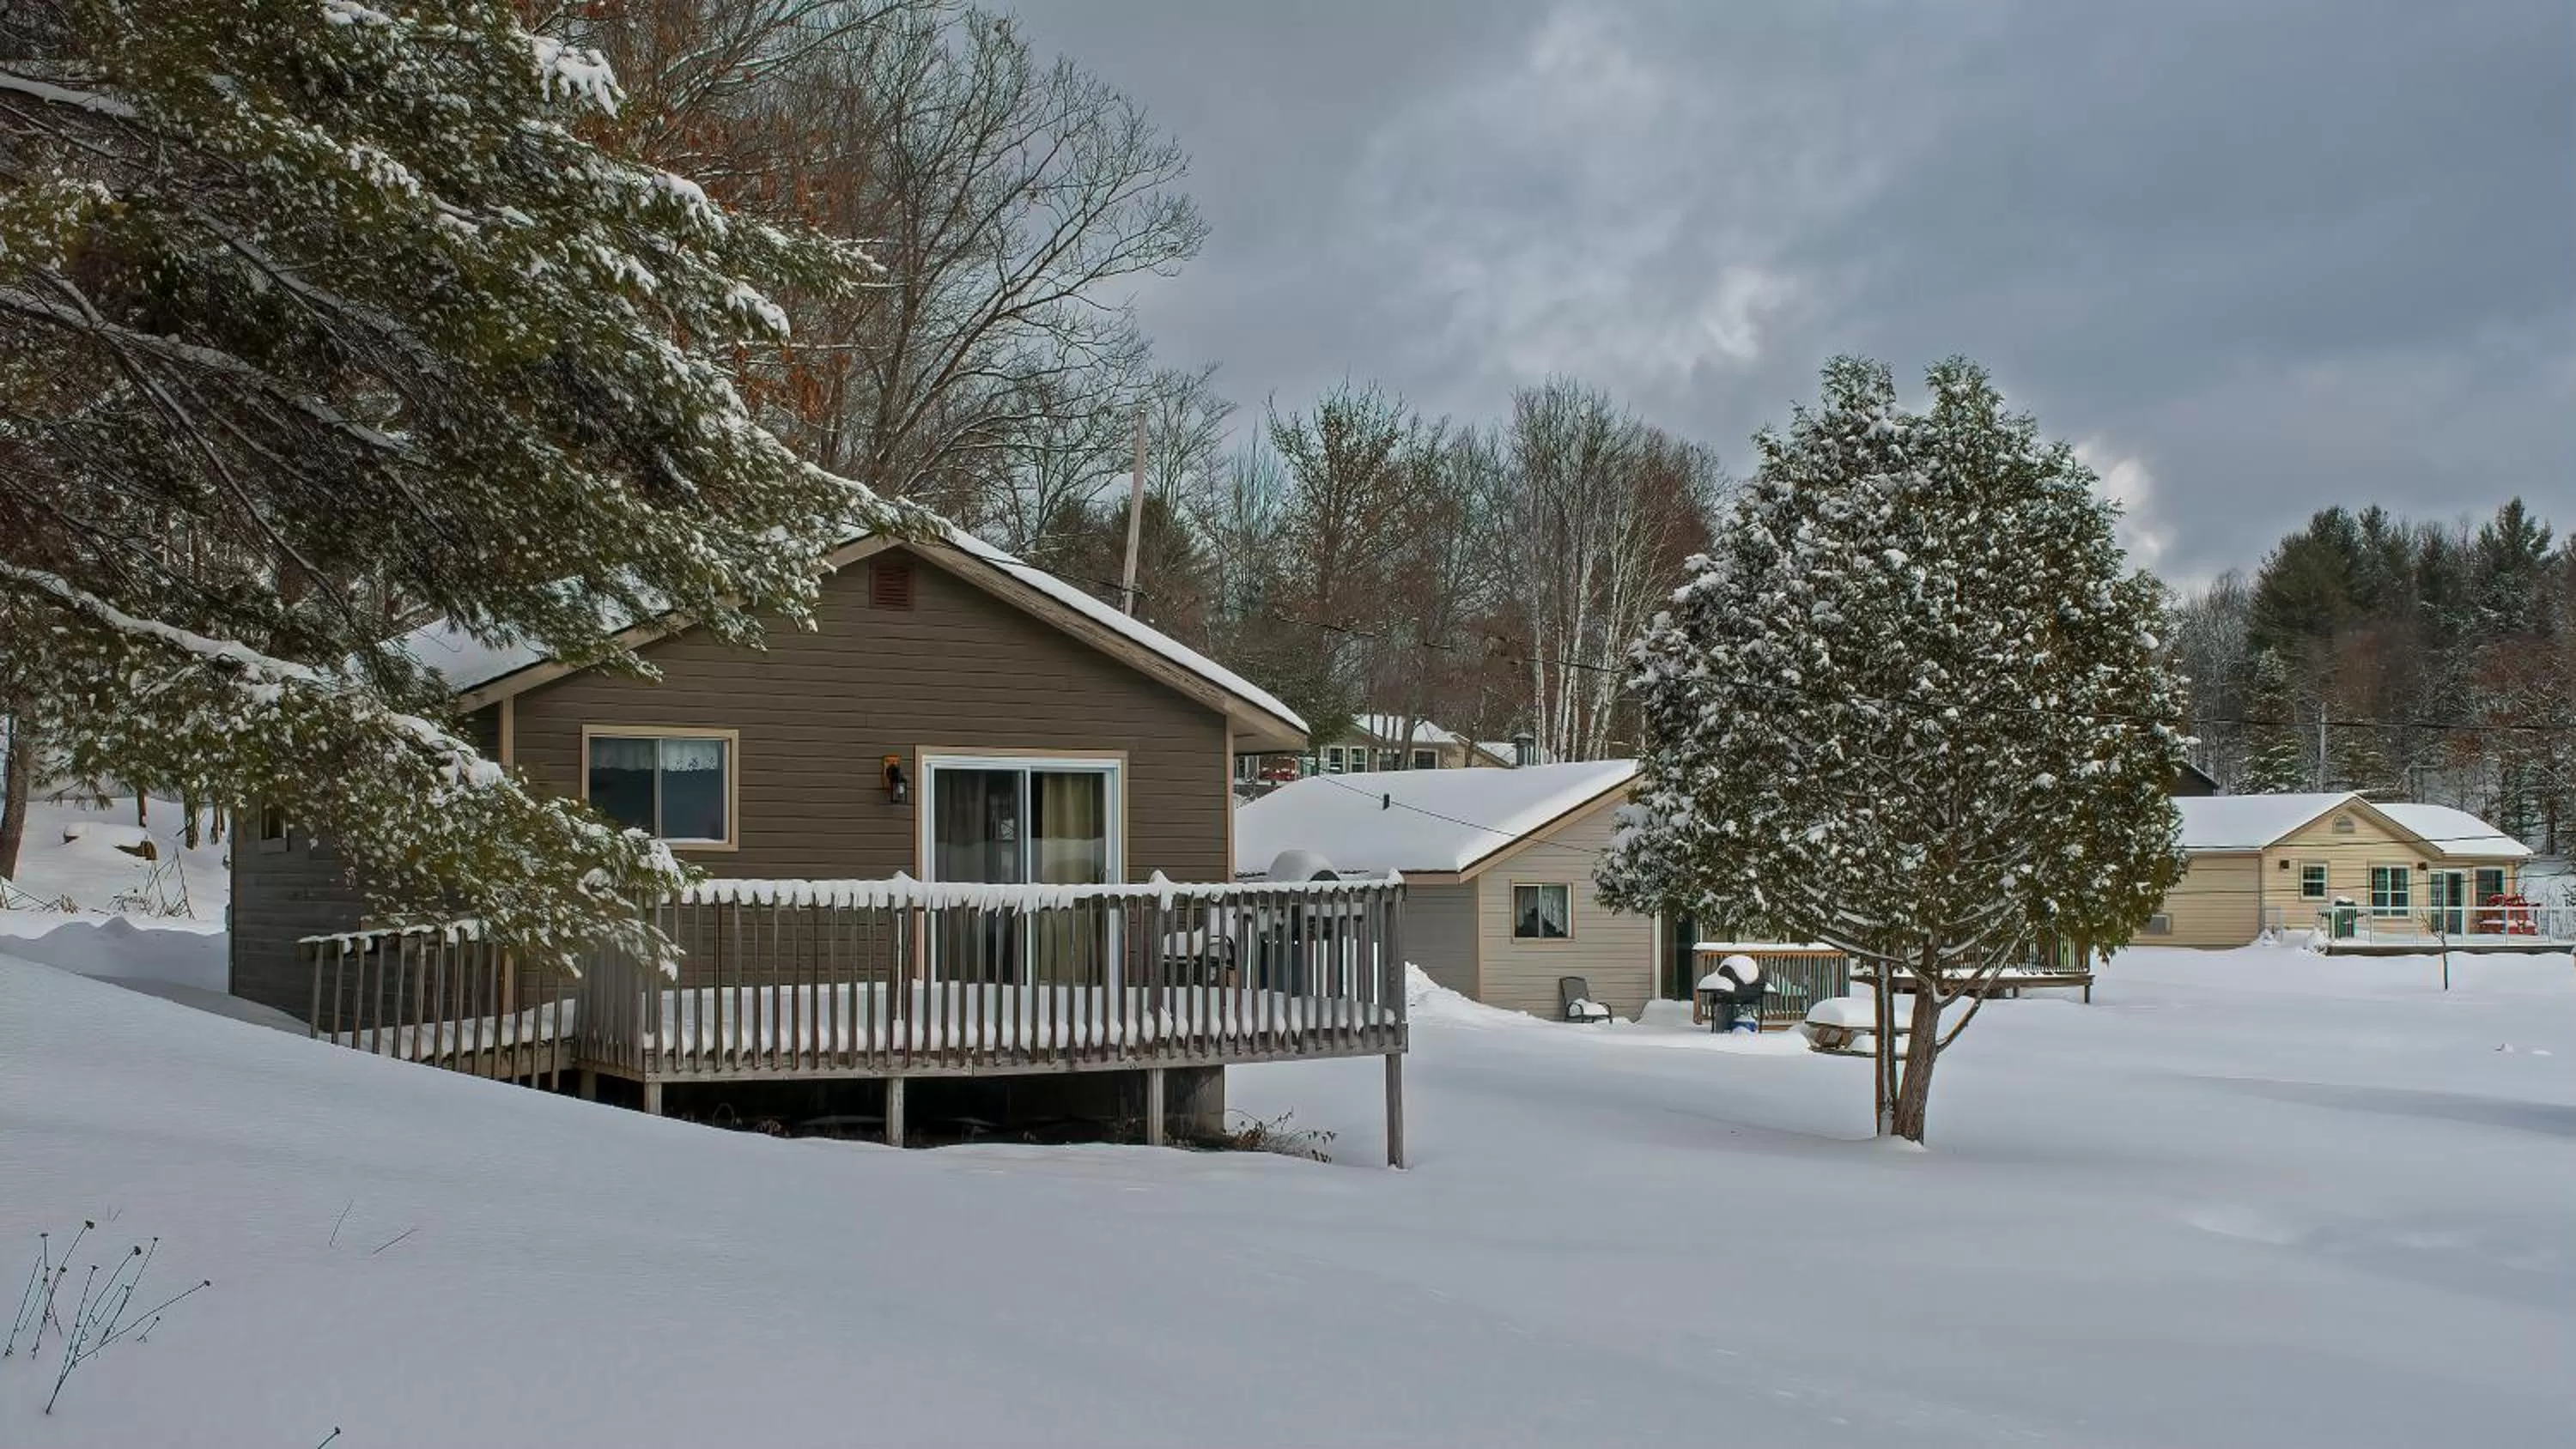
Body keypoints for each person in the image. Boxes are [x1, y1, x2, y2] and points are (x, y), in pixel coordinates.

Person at [1698, 952, 1766, 1033]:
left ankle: (1721, 1030)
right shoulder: (1755, 973)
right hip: (1753, 995)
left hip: (1735, 996)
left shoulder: (1729, 970)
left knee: (1721, 1003)